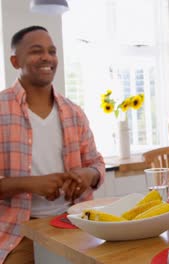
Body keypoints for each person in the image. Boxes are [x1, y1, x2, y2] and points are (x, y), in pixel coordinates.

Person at [0, 26, 105, 264]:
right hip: (19, 232)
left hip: (75, 223)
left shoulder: (73, 112)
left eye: (52, 51)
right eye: (37, 51)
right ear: (15, 61)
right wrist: (31, 184)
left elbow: (96, 164)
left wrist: (86, 175)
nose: (47, 57)